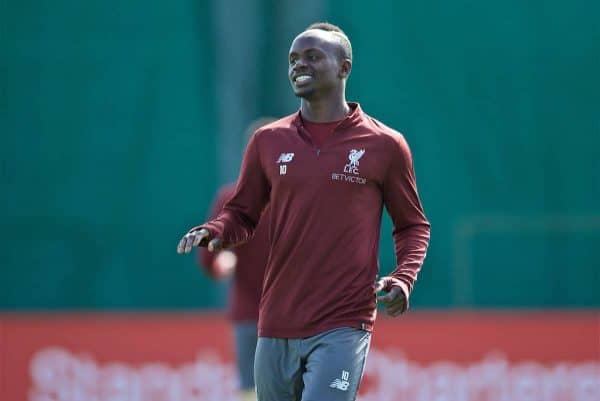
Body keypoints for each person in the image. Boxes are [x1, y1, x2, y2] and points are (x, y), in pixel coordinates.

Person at [178, 22, 430, 401]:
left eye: (313, 57)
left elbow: (413, 226)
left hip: (344, 322)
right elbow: (242, 214)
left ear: (344, 67)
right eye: (294, 58)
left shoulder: (385, 145)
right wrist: (215, 230)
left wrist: (403, 277)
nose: (299, 65)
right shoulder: (267, 142)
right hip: (275, 322)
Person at [197, 118, 275, 401]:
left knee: (250, 391)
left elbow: (209, 260)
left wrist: (223, 265)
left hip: (249, 316)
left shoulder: (230, 198)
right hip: (292, 316)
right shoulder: (297, 200)